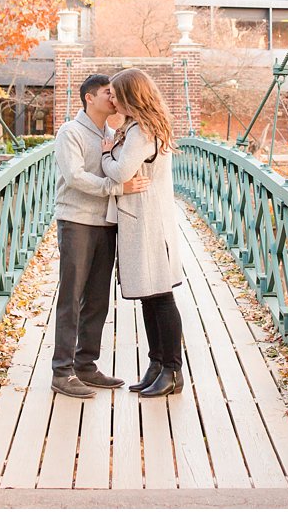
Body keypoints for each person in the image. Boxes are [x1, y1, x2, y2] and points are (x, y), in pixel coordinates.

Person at [49, 74, 148, 398]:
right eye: (109, 92)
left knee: (97, 299)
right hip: (76, 220)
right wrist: (115, 187)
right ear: (90, 98)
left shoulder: (113, 135)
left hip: (106, 222)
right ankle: (62, 371)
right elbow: (74, 177)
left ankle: (86, 366)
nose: (114, 98)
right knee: (71, 298)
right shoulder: (70, 132)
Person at [101, 68, 186, 398]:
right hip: (148, 220)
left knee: (161, 297)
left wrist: (107, 150)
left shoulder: (140, 132)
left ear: (130, 97)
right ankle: (157, 364)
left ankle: (173, 371)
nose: (112, 99)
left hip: (148, 223)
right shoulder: (142, 127)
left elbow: (121, 171)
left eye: (116, 94)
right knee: (151, 297)